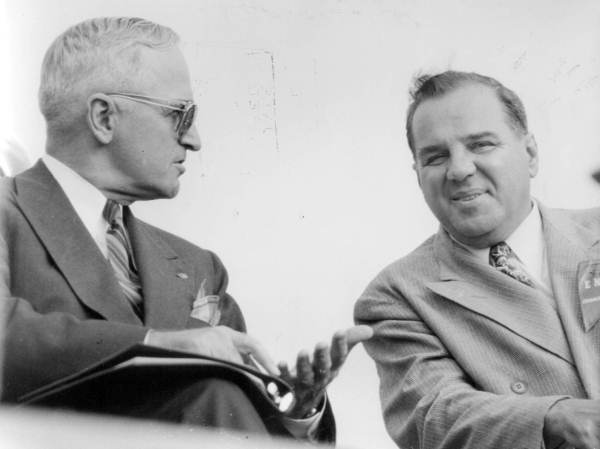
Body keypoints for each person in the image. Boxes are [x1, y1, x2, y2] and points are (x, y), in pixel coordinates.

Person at [0, 17, 372, 442]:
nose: (194, 140)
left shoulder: (199, 267)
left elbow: (232, 419)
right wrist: (161, 341)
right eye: (180, 115)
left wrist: (292, 407)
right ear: (103, 117)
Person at [354, 70, 600, 449]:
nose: (459, 169)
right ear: (418, 175)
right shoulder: (397, 295)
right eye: (435, 157)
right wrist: (550, 418)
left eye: (481, 145)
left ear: (531, 154)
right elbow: (432, 416)